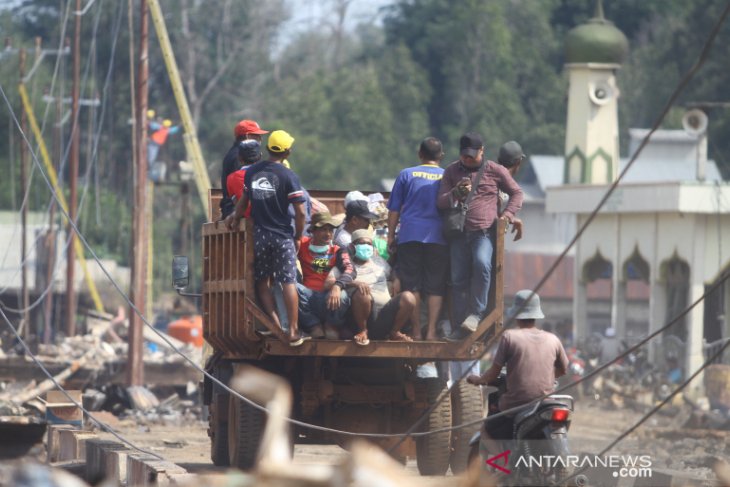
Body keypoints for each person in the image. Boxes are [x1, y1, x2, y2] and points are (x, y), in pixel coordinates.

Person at [437, 132, 523, 341]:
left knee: (482, 265)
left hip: (483, 232)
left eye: (472, 155)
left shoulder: (495, 170)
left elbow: (517, 193)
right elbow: (440, 202)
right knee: (458, 279)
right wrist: (456, 193)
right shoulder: (451, 171)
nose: (468, 159)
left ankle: (476, 313)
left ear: (482, 151)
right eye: (464, 155)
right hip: (458, 233)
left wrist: (507, 216)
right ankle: (459, 325)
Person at [225, 130, 308, 346]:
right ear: (287, 152)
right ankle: (292, 331)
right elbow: (300, 213)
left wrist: (234, 217)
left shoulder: (253, 171)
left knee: (262, 281)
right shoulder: (288, 175)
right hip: (282, 236)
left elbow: (243, 201)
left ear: (268, 148)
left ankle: (273, 325)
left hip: (260, 235)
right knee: (287, 281)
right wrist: (298, 236)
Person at [467, 290, 569, 454]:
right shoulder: (553, 339)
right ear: (536, 315)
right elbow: (563, 369)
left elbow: (493, 374)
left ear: (516, 315)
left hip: (517, 403)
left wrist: (479, 380)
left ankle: (502, 462)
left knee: (486, 429)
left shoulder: (509, 337)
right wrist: (548, 377)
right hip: (545, 403)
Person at [386, 137, 448, 341]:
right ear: (441, 156)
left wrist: (390, 236)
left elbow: (394, 209)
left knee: (412, 285)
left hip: (409, 235)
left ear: (420, 154)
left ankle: (416, 332)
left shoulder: (406, 174)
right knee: (435, 286)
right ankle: (431, 332)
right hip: (438, 237)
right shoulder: (447, 176)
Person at [328, 228, 416, 346]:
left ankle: (394, 332)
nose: (366, 246)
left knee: (408, 297)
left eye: (369, 244)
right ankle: (362, 331)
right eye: (362, 243)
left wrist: (396, 279)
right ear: (352, 246)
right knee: (362, 293)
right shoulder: (346, 264)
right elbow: (328, 282)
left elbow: (391, 273)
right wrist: (355, 283)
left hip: (385, 315)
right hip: (360, 317)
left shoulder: (379, 262)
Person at [297, 211, 355, 338]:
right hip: (307, 297)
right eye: (323, 230)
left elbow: (350, 270)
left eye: (330, 230)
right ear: (313, 230)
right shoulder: (302, 244)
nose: (328, 234)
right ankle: (314, 326)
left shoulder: (338, 250)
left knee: (343, 296)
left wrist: (337, 286)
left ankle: (331, 325)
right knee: (291, 288)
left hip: (328, 298)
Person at [220, 119, 269, 219]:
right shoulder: (238, 157)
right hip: (238, 212)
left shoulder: (236, 153)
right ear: (247, 136)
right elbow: (240, 192)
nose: (260, 139)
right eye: (257, 136)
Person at [496, 140, 526, 242]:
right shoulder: (498, 182)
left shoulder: (491, 176)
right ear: (518, 162)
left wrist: (511, 219)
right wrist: (508, 218)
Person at [226, 139, 263, 217]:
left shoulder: (231, 178)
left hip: (246, 221)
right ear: (260, 156)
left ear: (239, 158)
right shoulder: (268, 174)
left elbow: (237, 204)